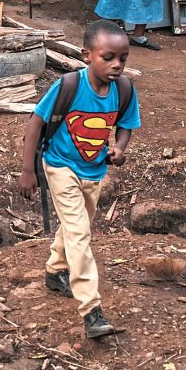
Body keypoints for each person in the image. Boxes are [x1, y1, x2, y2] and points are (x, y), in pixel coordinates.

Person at [16, 20, 141, 339]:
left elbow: (125, 125)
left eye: (123, 58)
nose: (117, 65)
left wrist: (119, 148)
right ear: (87, 55)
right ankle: (92, 310)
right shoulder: (69, 85)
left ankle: (55, 271)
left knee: (76, 224)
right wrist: (29, 170)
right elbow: (35, 124)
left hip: (95, 170)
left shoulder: (124, 89)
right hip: (60, 166)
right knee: (79, 234)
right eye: (108, 57)